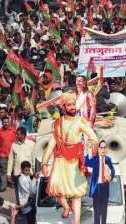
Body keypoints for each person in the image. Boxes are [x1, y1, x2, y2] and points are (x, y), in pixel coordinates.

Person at [38, 92, 99, 224]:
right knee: (58, 189)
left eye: (73, 104)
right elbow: (50, 145)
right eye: (69, 105)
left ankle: (76, 221)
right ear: (63, 107)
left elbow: (93, 137)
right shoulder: (57, 124)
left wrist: (88, 144)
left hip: (75, 161)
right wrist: (44, 163)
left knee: (76, 195)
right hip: (60, 159)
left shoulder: (80, 121)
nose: (72, 107)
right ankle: (65, 207)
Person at [85, 140, 116, 224]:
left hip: (105, 186)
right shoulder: (95, 159)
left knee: (104, 210)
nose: (103, 149)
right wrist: (89, 150)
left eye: (105, 147)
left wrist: (111, 176)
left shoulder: (108, 159)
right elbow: (87, 162)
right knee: (97, 211)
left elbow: (112, 169)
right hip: (97, 187)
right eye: (101, 147)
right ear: (98, 149)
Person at [6, 127, 35, 199]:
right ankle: (20, 208)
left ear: (23, 135)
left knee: (30, 192)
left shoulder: (31, 144)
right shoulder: (13, 145)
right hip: (17, 173)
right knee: (18, 193)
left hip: (29, 173)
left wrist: (34, 172)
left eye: (18, 134)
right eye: (16, 134)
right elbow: (10, 160)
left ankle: (30, 208)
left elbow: (34, 159)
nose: (16, 136)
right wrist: (8, 173)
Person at [0, 116, 16, 192]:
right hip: (2, 154)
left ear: (9, 122)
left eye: (7, 122)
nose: (6, 123)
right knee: (3, 170)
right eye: (4, 122)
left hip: (12, 154)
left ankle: (12, 183)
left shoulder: (13, 130)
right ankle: (3, 185)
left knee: (12, 169)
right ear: (2, 123)